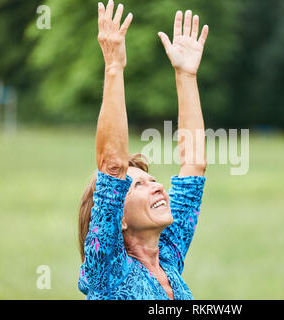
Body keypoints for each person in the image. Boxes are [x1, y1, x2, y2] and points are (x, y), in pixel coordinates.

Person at [77, 0, 209, 300]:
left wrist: (186, 76)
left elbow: (193, 167)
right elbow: (112, 166)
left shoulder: (168, 256)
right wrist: (113, 66)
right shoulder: (107, 268)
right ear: (117, 218)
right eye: (138, 185)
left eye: (152, 181)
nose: (158, 187)